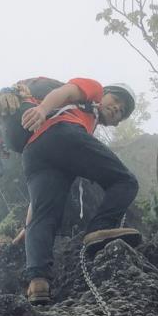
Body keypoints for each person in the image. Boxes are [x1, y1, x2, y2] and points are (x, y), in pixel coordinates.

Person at [18, 78, 141, 304]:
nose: (116, 108)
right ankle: (100, 229)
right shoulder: (93, 89)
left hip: (35, 152)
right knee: (125, 182)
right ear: (105, 93)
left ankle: (38, 282)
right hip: (62, 134)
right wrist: (43, 109)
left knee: (44, 217)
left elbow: (38, 207)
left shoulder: (88, 121)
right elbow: (65, 92)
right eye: (115, 100)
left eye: (121, 111)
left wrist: (28, 225)